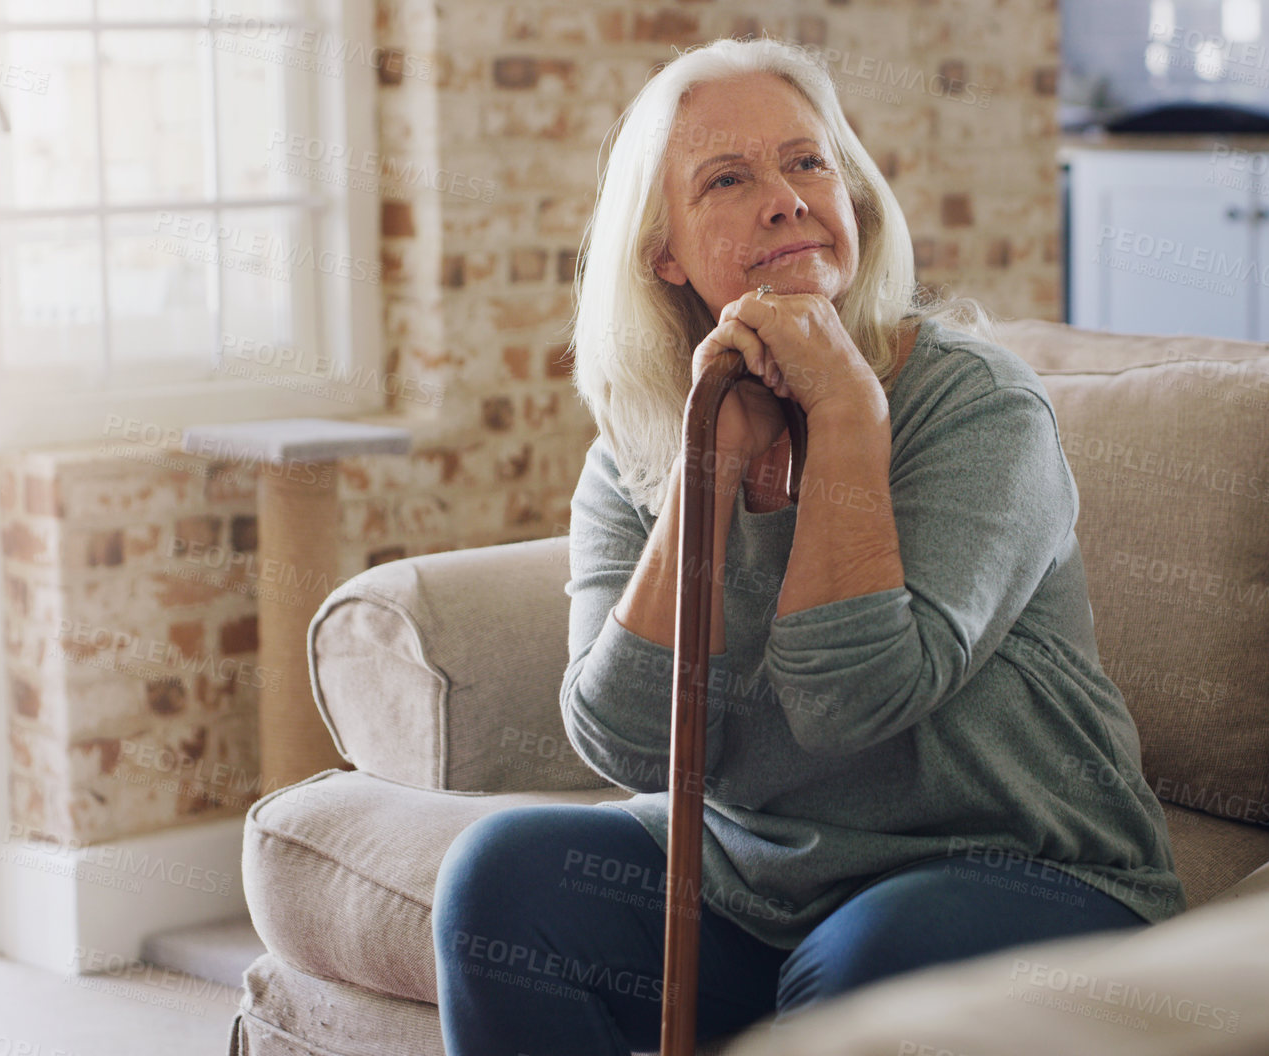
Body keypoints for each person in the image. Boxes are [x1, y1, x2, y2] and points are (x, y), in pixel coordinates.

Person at [432, 36, 1185, 1055]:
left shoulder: (977, 407)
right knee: (502, 878)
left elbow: (853, 701)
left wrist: (841, 410)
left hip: (1028, 874)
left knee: (863, 964)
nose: (784, 198)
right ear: (663, 252)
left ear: (852, 197)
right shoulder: (639, 454)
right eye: (727, 179)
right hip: (761, 885)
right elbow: (624, 743)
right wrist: (706, 480)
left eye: (806, 161)